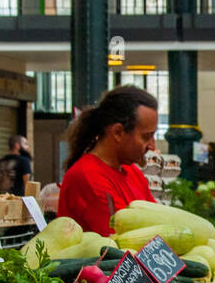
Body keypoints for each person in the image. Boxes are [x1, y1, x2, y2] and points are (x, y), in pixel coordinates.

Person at [58, 86, 158, 236]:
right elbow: (123, 239)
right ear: (117, 132)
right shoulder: (87, 177)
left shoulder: (133, 172)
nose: (152, 146)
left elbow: (159, 224)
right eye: (146, 137)